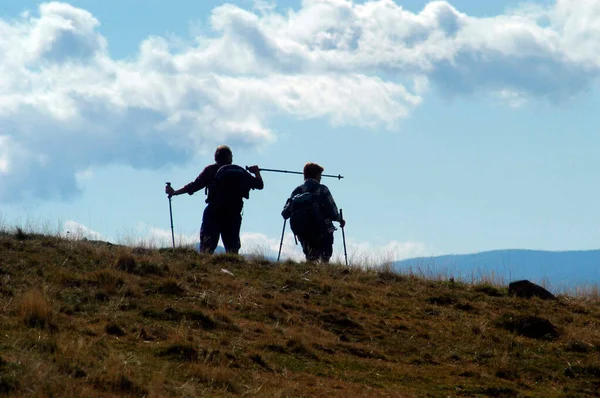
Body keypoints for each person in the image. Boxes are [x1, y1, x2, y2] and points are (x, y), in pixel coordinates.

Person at [165, 145, 263, 254]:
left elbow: (194, 186)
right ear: (230, 157)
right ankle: (233, 268)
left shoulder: (210, 170)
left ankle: (205, 267)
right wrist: (256, 172)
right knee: (232, 247)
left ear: (216, 157)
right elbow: (259, 185)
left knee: (207, 245)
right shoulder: (239, 171)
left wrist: (175, 193)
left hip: (214, 210)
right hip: (233, 212)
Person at [281, 162, 345, 263]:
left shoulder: (297, 191)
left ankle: (311, 276)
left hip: (304, 233)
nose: (321, 177)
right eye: (320, 175)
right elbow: (332, 211)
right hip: (323, 231)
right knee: (325, 260)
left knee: (311, 260)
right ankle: (324, 277)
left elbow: (285, 213)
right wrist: (340, 220)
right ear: (316, 175)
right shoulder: (322, 189)